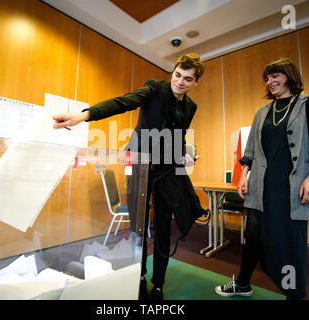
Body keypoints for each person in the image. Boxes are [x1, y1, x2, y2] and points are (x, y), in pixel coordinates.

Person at [52, 53, 206, 300]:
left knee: (164, 228)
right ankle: (139, 277)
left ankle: (158, 284)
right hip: (138, 167)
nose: (180, 81)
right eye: (177, 74)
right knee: (139, 227)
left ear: (195, 82)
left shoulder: (190, 107)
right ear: (173, 72)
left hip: (165, 171)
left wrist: (185, 153)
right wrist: (84, 116)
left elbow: (179, 137)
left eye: (187, 79)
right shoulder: (155, 88)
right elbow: (122, 102)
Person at [215, 58, 309, 300]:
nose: (270, 81)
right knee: (252, 236)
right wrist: (243, 175)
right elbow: (249, 150)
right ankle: (242, 283)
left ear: (290, 75)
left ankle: (293, 294)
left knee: (289, 244)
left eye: (275, 75)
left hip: (293, 189)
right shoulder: (262, 112)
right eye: (267, 78)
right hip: (261, 187)